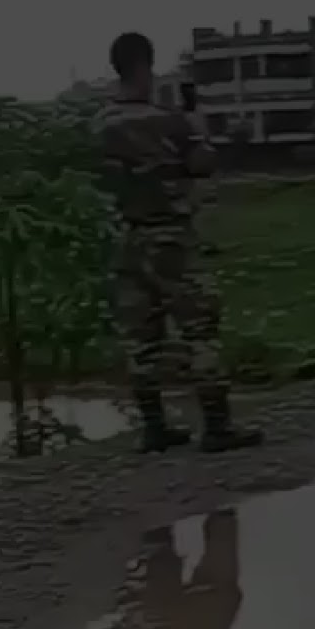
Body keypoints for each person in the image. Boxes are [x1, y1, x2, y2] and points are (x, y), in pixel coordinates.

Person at [93, 32, 263, 454]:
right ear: (144, 66)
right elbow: (201, 165)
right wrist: (199, 131)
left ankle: (154, 428)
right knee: (200, 330)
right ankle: (218, 427)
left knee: (141, 339)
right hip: (170, 237)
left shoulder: (98, 124)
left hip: (126, 239)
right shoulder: (167, 119)